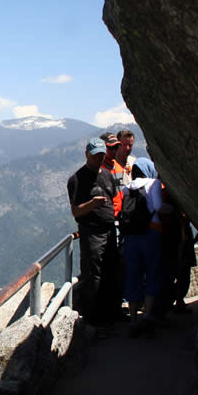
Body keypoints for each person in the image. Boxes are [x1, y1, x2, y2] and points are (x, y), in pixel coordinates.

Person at [67, 138, 119, 335]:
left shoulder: (107, 175)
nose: (99, 158)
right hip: (92, 233)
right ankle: (94, 321)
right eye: (96, 155)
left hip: (109, 230)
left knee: (110, 272)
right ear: (87, 154)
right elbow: (76, 212)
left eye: (101, 155)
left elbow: (113, 197)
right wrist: (92, 205)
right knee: (93, 276)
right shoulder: (77, 179)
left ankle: (110, 316)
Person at [121, 157, 173, 337]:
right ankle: (147, 315)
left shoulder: (127, 187)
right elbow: (158, 207)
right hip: (151, 233)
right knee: (152, 272)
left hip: (130, 236)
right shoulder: (154, 183)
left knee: (133, 273)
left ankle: (133, 318)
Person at [99, 132, 126, 216]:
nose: (114, 151)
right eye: (110, 148)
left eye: (116, 147)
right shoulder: (99, 170)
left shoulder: (118, 167)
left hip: (122, 214)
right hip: (109, 216)